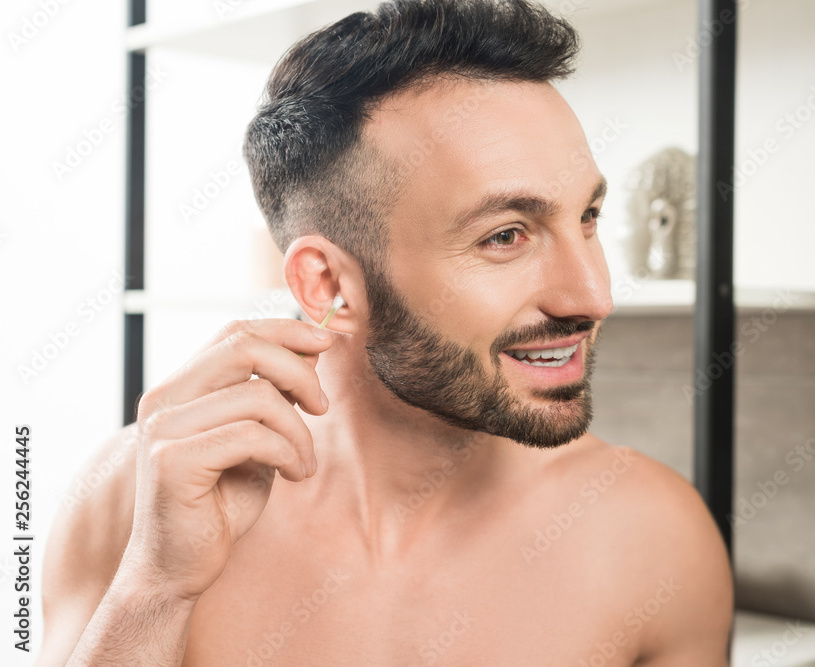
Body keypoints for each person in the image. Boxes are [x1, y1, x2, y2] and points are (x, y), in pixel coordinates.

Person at [39, 0, 733, 664]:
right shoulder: (138, 503)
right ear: (329, 286)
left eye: (586, 217)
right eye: (505, 235)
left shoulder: (653, 535)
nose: (594, 295)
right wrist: (156, 588)